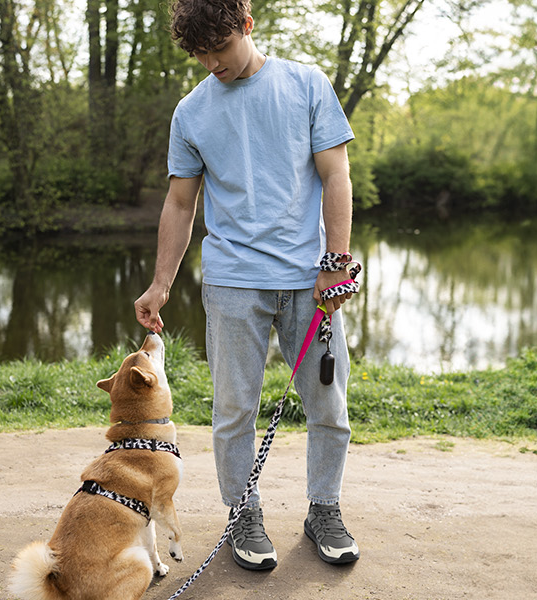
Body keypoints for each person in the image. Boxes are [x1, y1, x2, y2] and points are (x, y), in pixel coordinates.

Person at [132, 0, 360, 571]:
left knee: (329, 406)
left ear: (247, 27)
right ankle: (244, 514)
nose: (213, 62)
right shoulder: (191, 112)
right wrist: (162, 282)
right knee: (235, 410)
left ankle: (323, 509)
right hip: (233, 282)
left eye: (221, 47)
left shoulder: (306, 84)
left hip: (311, 283)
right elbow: (181, 201)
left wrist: (336, 259)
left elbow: (336, 173)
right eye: (200, 53)